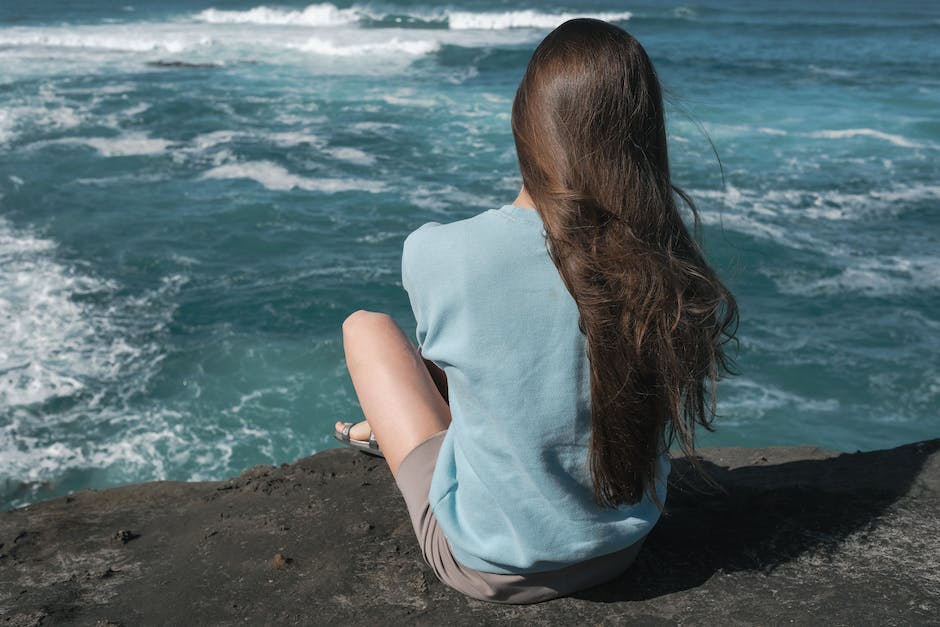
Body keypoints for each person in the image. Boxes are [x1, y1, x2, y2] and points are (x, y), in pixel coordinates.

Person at [334, 18, 738, 604]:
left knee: (366, 328)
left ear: (524, 124)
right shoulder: (662, 261)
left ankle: (379, 431)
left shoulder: (439, 249)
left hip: (486, 561)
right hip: (623, 545)